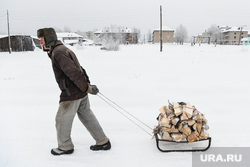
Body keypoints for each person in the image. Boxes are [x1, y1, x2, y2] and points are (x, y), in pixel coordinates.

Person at [37, 28, 111, 155]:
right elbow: (79, 68)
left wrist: (86, 87)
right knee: (86, 115)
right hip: (79, 90)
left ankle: (65, 146)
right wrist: (86, 85)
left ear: (49, 39)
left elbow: (74, 72)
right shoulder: (62, 49)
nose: (41, 43)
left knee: (61, 119)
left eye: (42, 40)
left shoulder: (58, 52)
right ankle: (102, 141)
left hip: (72, 92)